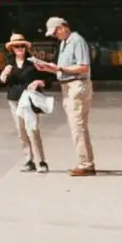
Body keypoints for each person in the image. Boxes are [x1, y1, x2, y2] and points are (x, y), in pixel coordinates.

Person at [0, 34, 57, 172]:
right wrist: (3, 75)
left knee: (32, 129)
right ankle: (28, 160)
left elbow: (50, 77)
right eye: (16, 46)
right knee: (21, 131)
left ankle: (41, 161)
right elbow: (2, 83)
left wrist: (39, 82)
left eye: (22, 46)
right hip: (15, 100)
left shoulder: (33, 62)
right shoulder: (9, 64)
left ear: (26, 48)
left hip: (30, 99)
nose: (19, 49)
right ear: (12, 49)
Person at [47, 15, 96, 175]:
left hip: (76, 84)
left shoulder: (76, 41)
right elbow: (64, 67)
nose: (55, 36)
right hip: (68, 85)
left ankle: (85, 164)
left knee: (78, 126)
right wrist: (50, 69)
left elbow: (83, 67)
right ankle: (86, 161)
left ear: (62, 27)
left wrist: (60, 69)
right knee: (77, 125)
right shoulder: (64, 43)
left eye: (55, 32)